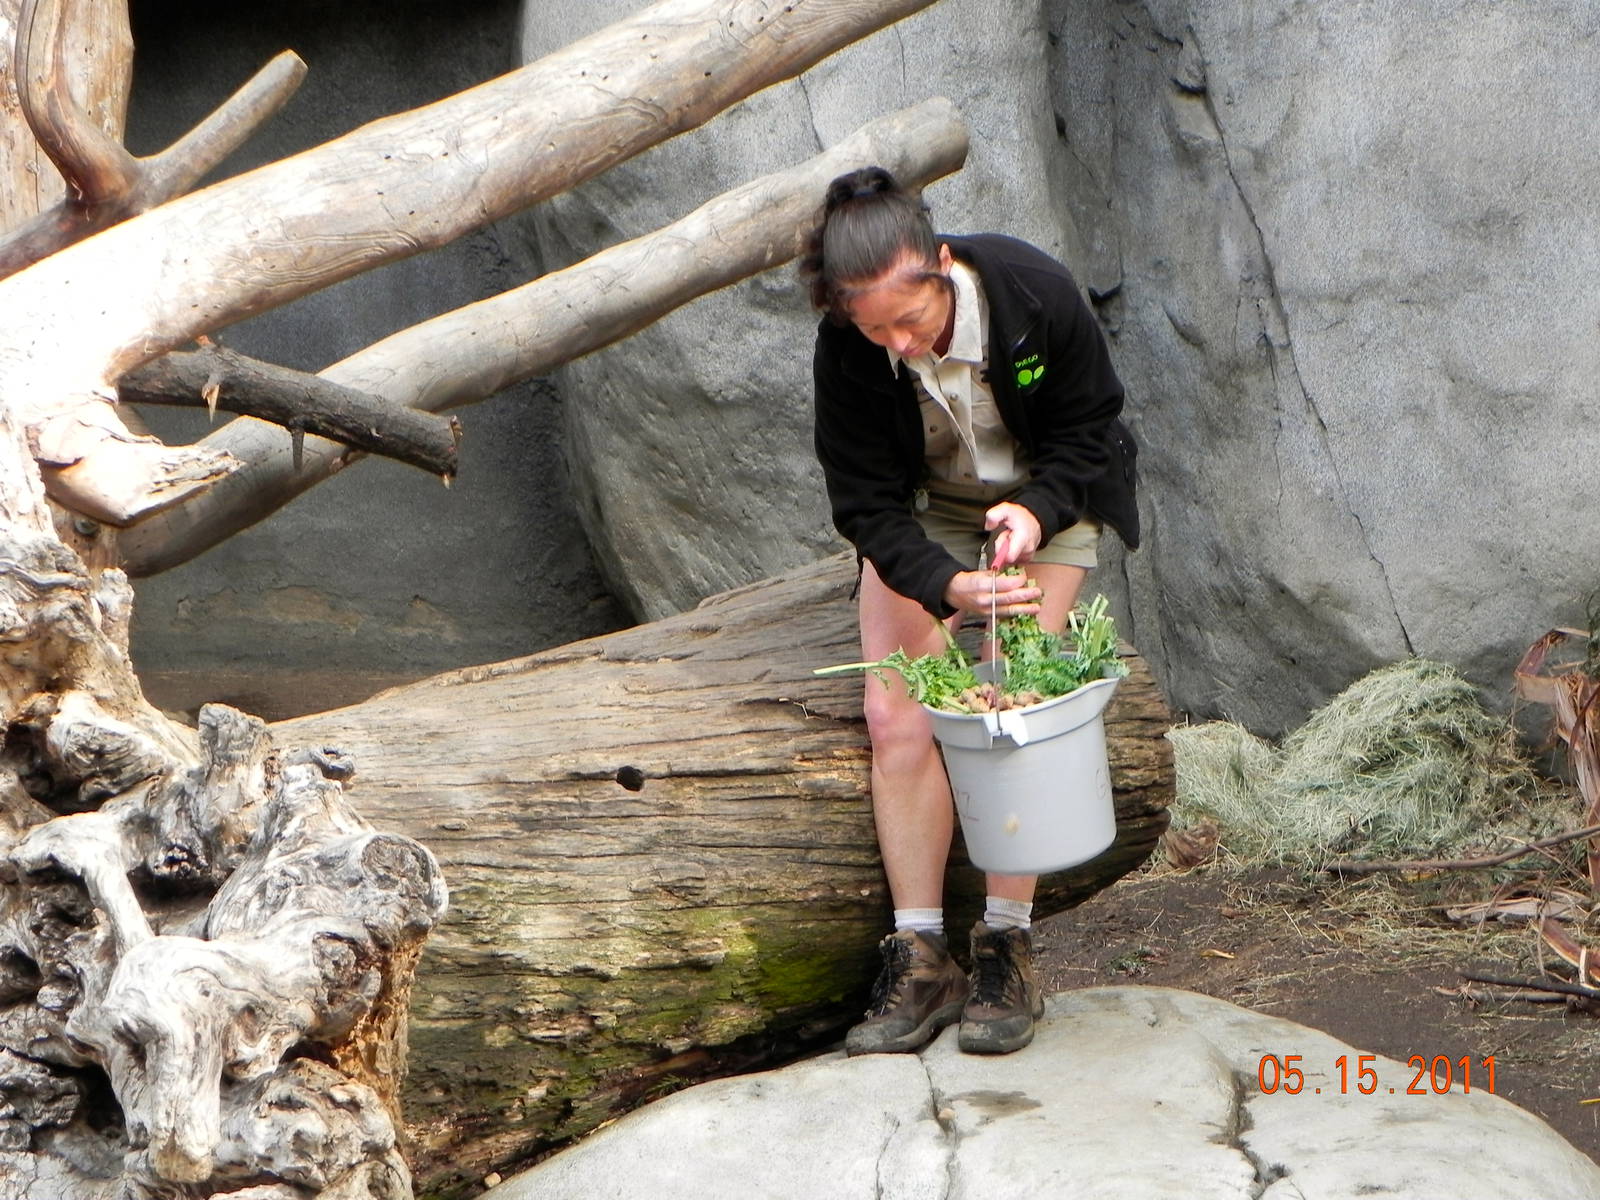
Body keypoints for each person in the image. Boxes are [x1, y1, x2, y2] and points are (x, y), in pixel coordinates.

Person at [801, 167, 1139, 1056]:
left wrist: (1037, 512)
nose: (899, 342)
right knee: (896, 707)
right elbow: (865, 504)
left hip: (1045, 496)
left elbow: (1091, 429)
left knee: (1011, 696)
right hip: (927, 515)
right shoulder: (846, 350)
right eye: (875, 329)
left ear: (943, 265)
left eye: (910, 319)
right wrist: (944, 585)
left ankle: (1005, 945)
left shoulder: (1034, 293)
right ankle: (920, 953)